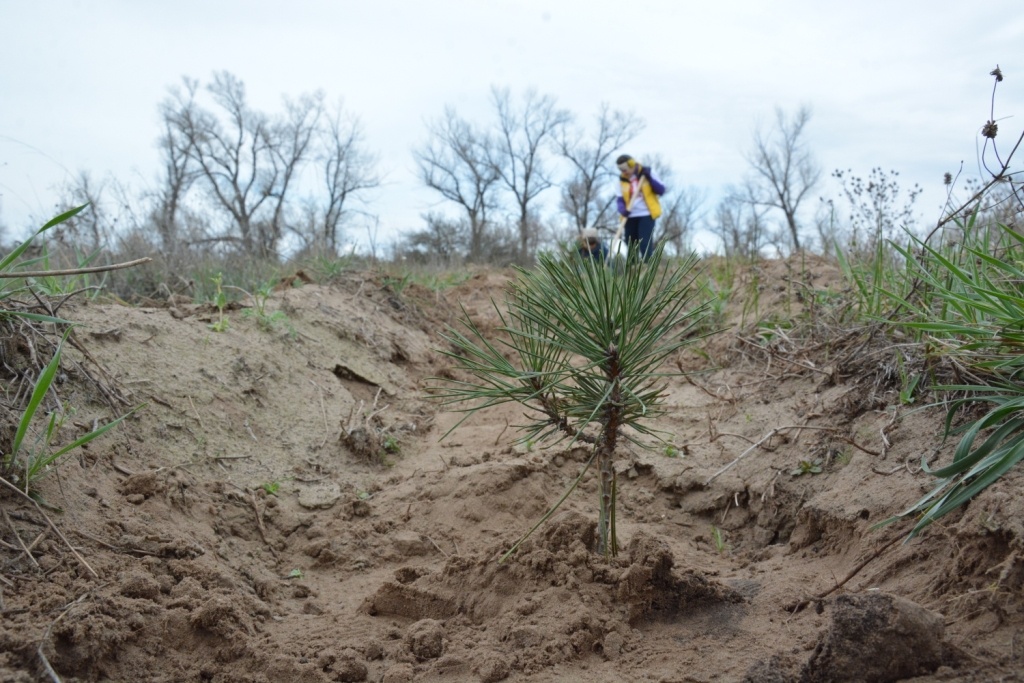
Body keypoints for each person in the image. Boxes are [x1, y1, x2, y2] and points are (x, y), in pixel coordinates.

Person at [615, 154, 665, 260]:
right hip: (630, 215)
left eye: (625, 169)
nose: (623, 172)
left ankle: (647, 267)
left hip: (646, 213)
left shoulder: (647, 173)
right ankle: (631, 270)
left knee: (645, 243)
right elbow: (619, 199)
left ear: (632, 164)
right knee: (631, 244)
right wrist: (623, 210)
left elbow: (661, 190)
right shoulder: (621, 181)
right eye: (621, 170)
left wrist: (649, 178)